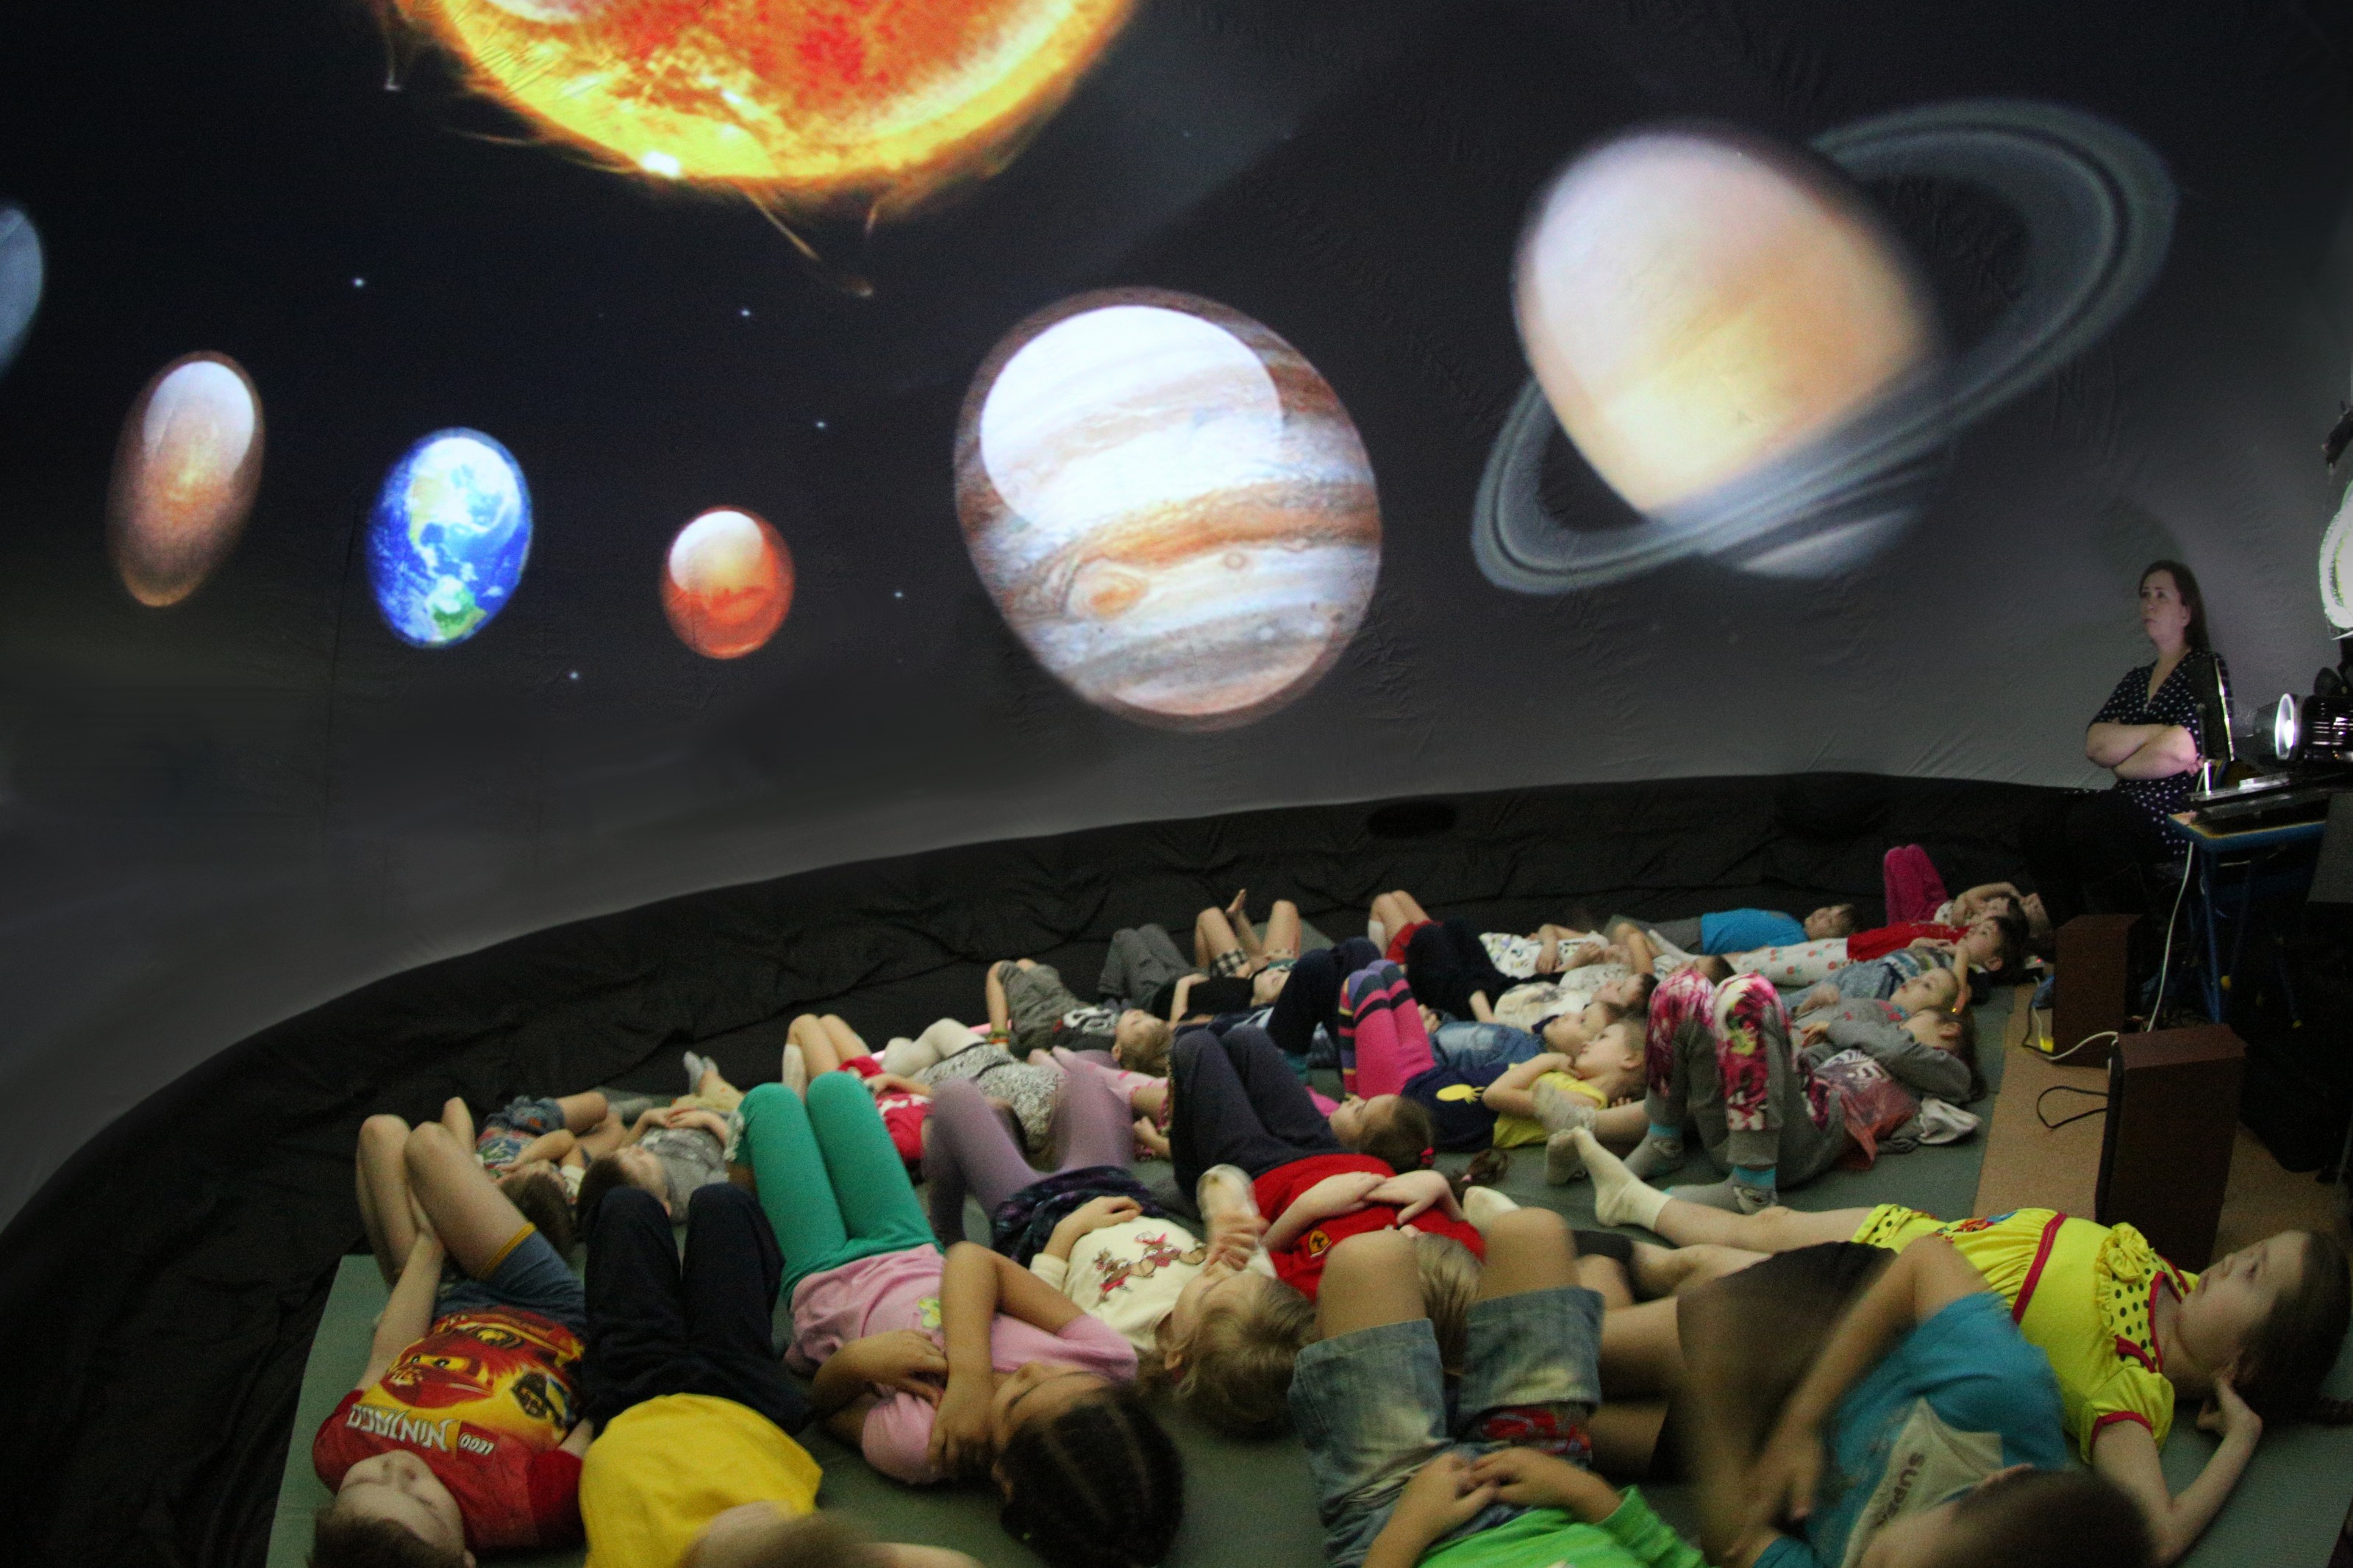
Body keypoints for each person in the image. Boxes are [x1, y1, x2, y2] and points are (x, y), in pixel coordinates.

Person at [1565, 1177, 2352, 1567]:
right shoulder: (2170, 1279)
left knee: (1574, 1419)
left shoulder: (2129, 1385)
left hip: (1876, 1337)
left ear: (2242, 1359)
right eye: (2249, 1252)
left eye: (2253, 1275)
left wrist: (2240, 1436)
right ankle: (1633, 1239)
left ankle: (1619, 1259)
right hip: (1882, 1283)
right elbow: (1922, 1264)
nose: (2230, 1261)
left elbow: (2151, 1535)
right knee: (1735, 1249)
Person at [734, 1073, 1184, 1568]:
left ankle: (745, 1205)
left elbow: (826, 1408)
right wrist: (969, 1376)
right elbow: (971, 1258)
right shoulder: (1107, 1361)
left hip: (823, 1280)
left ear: (1006, 1477)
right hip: (908, 1244)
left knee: (768, 1102)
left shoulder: (923, 1446)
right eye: (1062, 1374)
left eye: (1020, 1398)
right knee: (836, 1090)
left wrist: (859, 1361)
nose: (1033, 1369)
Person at [1677, 1234, 2150, 1568]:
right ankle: (1672, 1265)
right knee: (1646, 1343)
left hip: (1787, 1473)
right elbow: (1922, 1261)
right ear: (1999, 1481)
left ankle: (1668, 1271)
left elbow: (1735, 1545)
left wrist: (1716, 1403)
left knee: (1654, 1419)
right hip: (1841, 1331)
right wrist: (1800, 1419)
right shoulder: (2005, 1397)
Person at [1290, 1209, 1704, 1568]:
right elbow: (1677, 1559)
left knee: (1367, 1259)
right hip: (1545, 1487)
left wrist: (1408, 1529)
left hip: (1400, 1520)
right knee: (1534, 1230)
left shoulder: (1404, 1526)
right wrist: (1582, 1491)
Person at [313, 1112, 591, 1564]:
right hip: (547, 1311)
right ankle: (481, 1182)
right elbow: (605, 1408)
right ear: (464, 1559)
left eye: (364, 1481)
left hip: (441, 1307)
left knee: (380, 1133)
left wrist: (430, 1243)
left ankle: (468, 1200)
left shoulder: (337, 1449)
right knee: (428, 1146)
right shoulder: (524, 1507)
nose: (399, 1467)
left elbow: (386, 1356)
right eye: (422, 1500)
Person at [1593, 965, 1974, 1214]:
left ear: (1949, 1030)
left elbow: (1898, 1050)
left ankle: (1752, 1190)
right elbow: (1801, 1063)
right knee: (1680, 988)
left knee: (1749, 992)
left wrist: (1839, 1028)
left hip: (1804, 1141)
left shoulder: (1951, 1075)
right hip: (1744, 1128)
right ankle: (1663, 1139)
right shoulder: (1861, 1045)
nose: (1898, 1028)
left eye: (1913, 1021)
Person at [1167, 1025, 1483, 1301]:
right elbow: (1471, 1225)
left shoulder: (1333, 1280)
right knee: (1247, 1039)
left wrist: (1307, 1208)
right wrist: (1442, 1191)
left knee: (1195, 1045)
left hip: (1263, 1175)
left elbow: (1257, 1261)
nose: (1409, 1230)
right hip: (1335, 1154)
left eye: (1407, 1247)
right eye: (1419, 1237)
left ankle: (1191, 1184)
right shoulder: (1454, 1263)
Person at [2024, 559, 2225, 928]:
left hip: (2174, 807)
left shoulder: (2205, 667)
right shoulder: (2136, 680)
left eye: (2161, 596)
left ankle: (2136, 939)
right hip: (2128, 800)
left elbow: (2181, 749)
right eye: (2145, 595)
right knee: (2041, 820)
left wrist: (2123, 761)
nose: (2149, 604)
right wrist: (2156, 732)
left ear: (2186, 612)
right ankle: (2076, 938)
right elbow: (2096, 744)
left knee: (2093, 824)